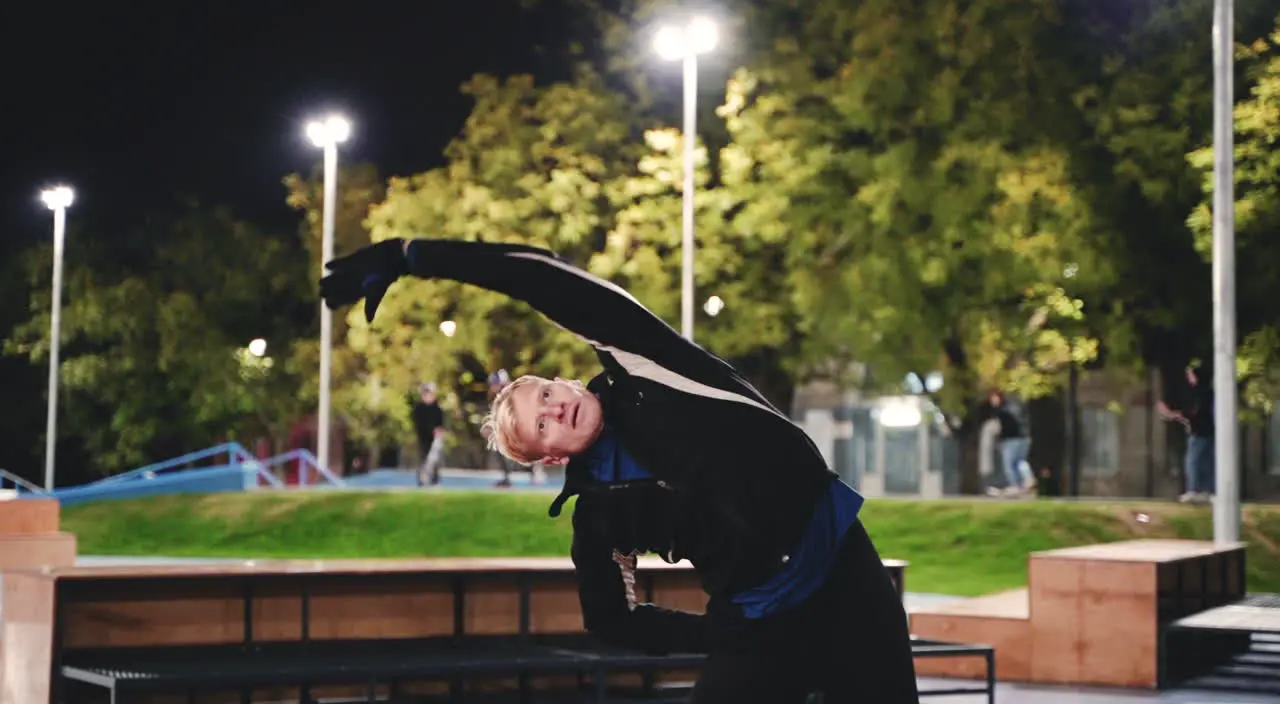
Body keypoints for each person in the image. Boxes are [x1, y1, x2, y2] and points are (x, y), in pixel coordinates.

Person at [320, 238, 919, 703]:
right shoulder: (601, 516)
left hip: (842, 568)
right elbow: (611, 619)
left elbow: (539, 276)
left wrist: (413, 255)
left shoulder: (646, 363)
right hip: (759, 620)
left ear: (567, 379)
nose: (555, 408)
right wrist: (712, 635)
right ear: (552, 456)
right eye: (542, 425)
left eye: (548, 394)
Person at [1158, 363, 1215, 503]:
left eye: (1190, 374)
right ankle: (1206, 491)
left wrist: (1170, 414)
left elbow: (1194, 414)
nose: (1189, 378)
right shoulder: (1208, 393)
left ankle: (1194, 490)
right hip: (1207, 432)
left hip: (1199, 433)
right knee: (1206, 462)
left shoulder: (1200, 394)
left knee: (1193, 461)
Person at [988, 389, 1033, 496]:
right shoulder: (1015, 405)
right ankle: (1028, 478)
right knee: (1020, 461)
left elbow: (1004, 426)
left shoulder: (1002, 409)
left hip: (1012, 438)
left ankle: (1015, 485)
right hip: (1025, 437)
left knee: (1009, 463)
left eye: (994, 399)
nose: (993, 402)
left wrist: (1000, 439)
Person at [412, 383, 446, 486]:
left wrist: (439, 431)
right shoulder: (418, 408)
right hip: (423, 436)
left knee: (435, 458)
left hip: (435, 437)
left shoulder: (437, 408)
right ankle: (422, 479)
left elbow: (441, 422)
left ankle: (435, 479)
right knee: (423, 457)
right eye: (425, 394)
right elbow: (417, 422)